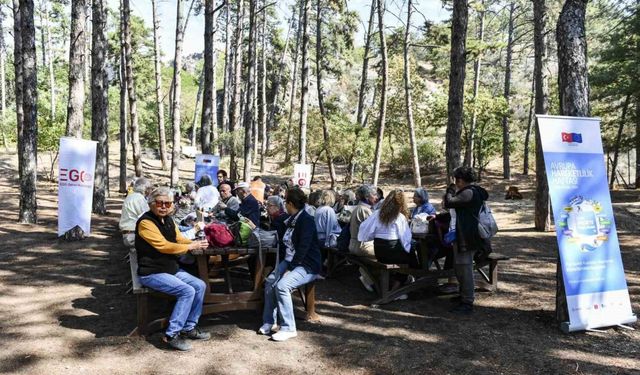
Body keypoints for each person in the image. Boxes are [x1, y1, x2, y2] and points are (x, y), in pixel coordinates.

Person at [135, 187, 210, 351]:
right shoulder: (146, 222)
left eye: (167, 203)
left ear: (171, 205)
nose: (163, 206)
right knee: (187, 291)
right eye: (159, 203)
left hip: (169, 269)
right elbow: (163, 246)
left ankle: (189, 327)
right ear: (151, 204)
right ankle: (171, 335)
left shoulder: (168, 220)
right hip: (152, 272)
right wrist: (191, 246)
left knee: (200, 285)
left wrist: (196, 243)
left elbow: (178, 238)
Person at [258, 188, 321, 342]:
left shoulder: (306, 220)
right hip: (290, 261)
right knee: (270, 282)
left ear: (291, 203)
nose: (284, 205)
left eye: (285, 202)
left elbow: (303, 248)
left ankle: (288, 328)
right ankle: (269, 321)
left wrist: (290, 269)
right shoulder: (292, 218)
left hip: (307, 264)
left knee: (282, 286)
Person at [443, 166, 491, 315]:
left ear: (461, 180)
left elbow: (449, 202)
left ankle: (467, 302)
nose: (456, 182)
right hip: (464, 235)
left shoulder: (469, 192)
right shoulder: (472, 191)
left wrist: (449, 191)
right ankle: (463, 295)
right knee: (459, 268)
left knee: (465, 268)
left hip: (468, 236)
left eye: (457, 179)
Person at [358, 190, 417, 300]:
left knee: (406, 257)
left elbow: (364, 228)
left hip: (380, 251)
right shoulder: (399, 217)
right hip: (392, 251)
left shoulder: (377, 214)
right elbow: (405, 238)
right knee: (410, 259)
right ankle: (395, 290)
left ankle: (396, 285)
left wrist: (373, 237)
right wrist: (409, 248)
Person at [119, 177, 152, 247]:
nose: (150, 191)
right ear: (145, 188)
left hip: (128, 233)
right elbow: (147, 216)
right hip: (133, 235)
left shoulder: (131, 196)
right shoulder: (139, 198)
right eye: (149, 188)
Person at [349, 185, 378, 257]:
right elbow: (373, 231)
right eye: (374, 195)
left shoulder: (357, 208)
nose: (376, 197)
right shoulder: (364, 210)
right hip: (363, 247)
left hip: (354, 245)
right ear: (366, 196)